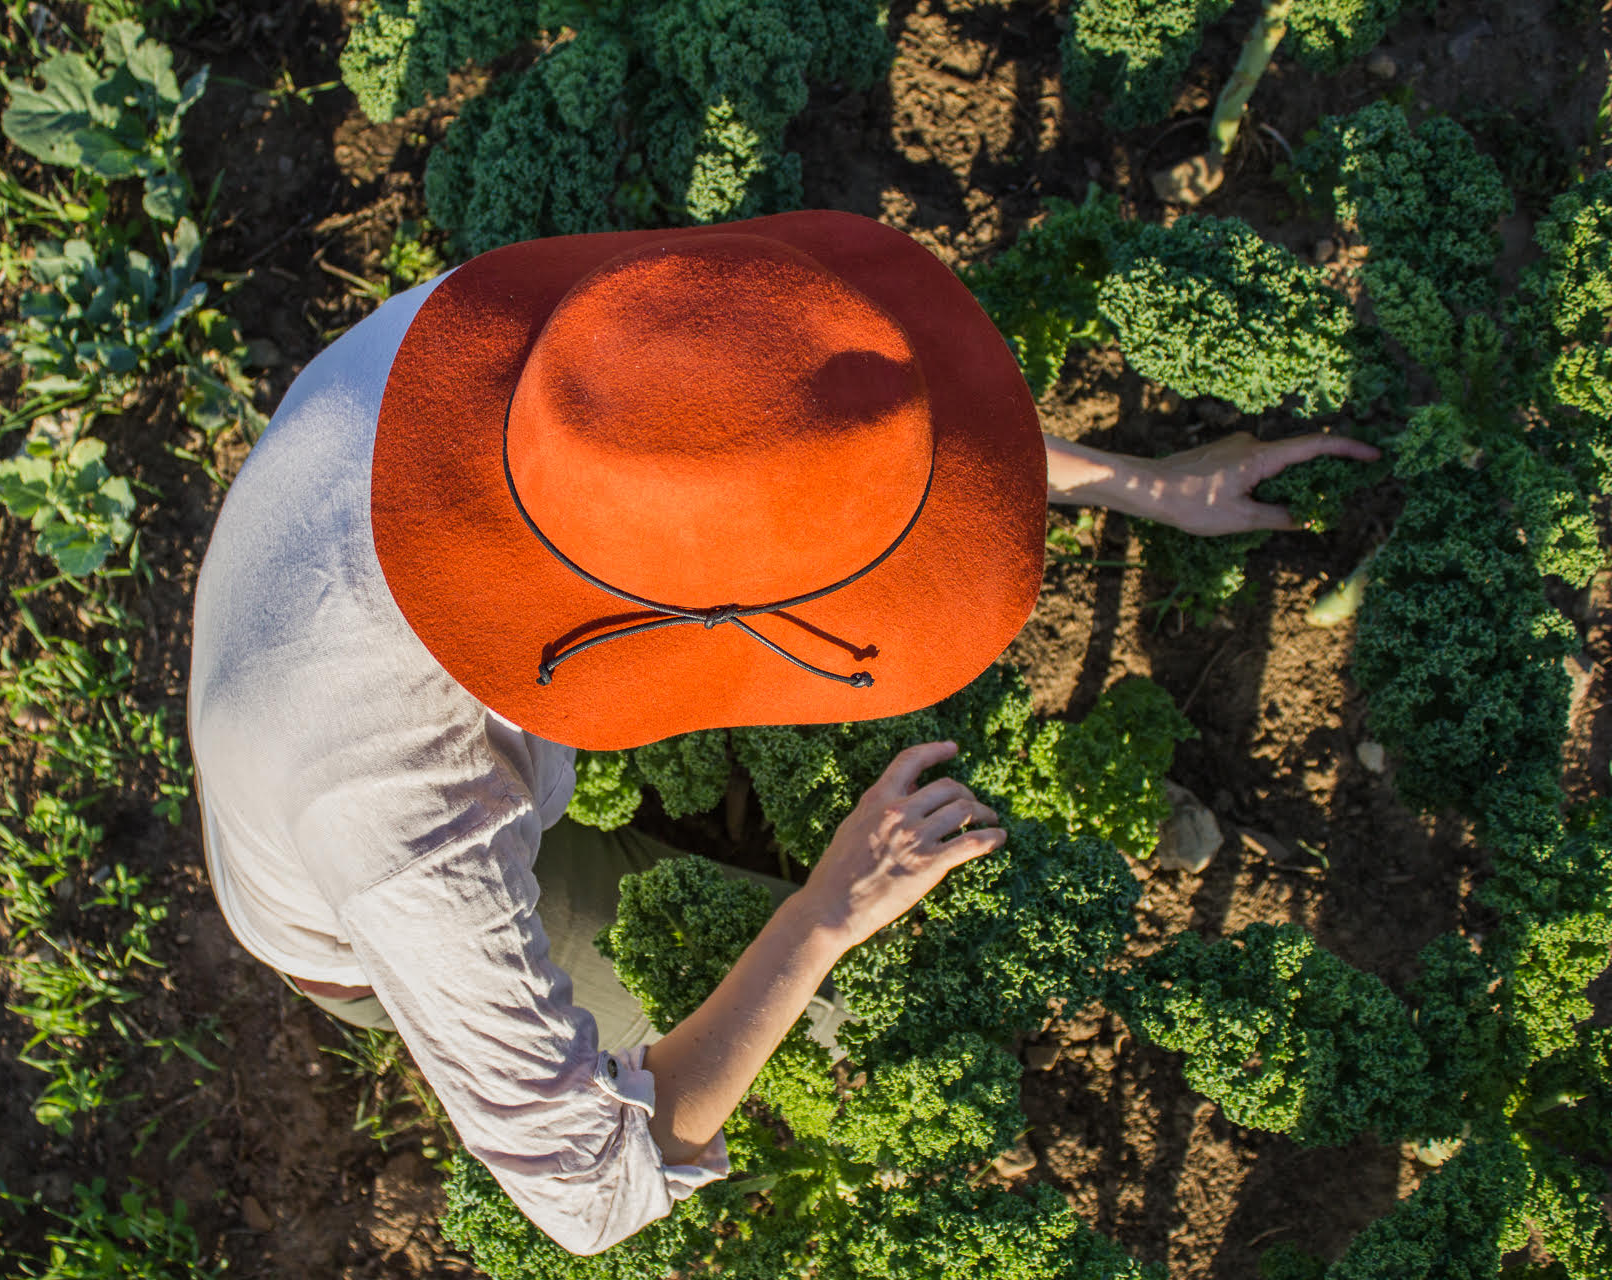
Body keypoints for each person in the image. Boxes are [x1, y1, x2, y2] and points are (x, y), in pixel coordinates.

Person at [186, 211, 1377, 1255]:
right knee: (861, 999)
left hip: (431, 708)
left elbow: (792, 441)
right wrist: (827, 912)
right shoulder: (407, 813)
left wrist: (1139, 481)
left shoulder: (530, 368)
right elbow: (591, 1192)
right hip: (360, 899)